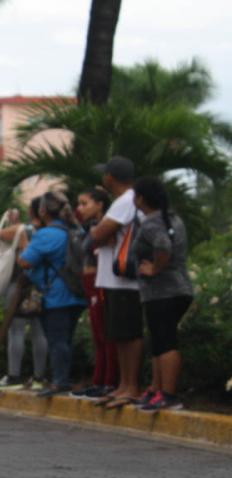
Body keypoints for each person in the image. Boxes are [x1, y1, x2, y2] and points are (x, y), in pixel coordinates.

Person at [131, 177, 193, 412]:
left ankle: (168, 394)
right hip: (177, 289)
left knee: (165, 342)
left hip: (163, 291)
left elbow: (163, 246)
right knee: (158, 341)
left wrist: (154, 268)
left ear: (140, 198)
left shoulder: (151, 224)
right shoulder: (172, 219)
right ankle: (156, 390)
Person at [18, 191, 86, 398]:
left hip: (56, 294)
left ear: (43, 210)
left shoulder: (47, 234)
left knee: (57, 340)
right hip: (76, 292)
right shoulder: (76, 230)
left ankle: (60, 381)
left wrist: (23, 244)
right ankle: (63, 377)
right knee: (66, 338)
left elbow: (25, 261)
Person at [90, 156, 143, 406]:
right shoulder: (123, 201)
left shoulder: (125, 201)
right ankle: (123, 385)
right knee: (118, 335)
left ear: (110, 177)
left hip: (123, 279)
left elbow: (98, 234)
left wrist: (98, 232)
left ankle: (131, 386)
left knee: (128, 334)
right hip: (113, 279)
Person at [0, 200, 48, 390]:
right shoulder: (53, 231)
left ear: (32, 211)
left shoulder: (23, 230)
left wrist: (8, 225)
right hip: (43, 287)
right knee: (39, 331)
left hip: (20, 286)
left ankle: (13, 375)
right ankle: (39, 377)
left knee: (15, 330)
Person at [72, 188, 118, 399]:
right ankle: (99, 380)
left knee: (105, 333)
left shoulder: (106, 227)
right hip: (90, 282)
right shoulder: (88, 227)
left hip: (101, 283)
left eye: (84, 203)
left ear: (100, 204)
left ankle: (108, 381)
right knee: (98, 335)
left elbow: (93, 247)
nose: (80, 209)